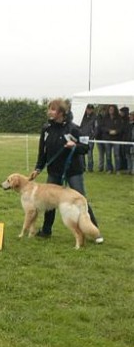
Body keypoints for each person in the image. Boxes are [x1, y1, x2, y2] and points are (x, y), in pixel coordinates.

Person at [29, 98, 102, 242]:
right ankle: (46, 231)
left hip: (73, 171)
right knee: (49, 201)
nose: (49, 111)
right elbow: (42, 151)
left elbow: (86, 148)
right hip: (54, 171)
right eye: (49, 108)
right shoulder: (46, 129)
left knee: (81, 199)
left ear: (61, 112)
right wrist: (38, 168)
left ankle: (95, 232)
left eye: (53, 109)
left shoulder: (74, 128)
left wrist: (74, 146)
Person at [98, 104, 123, 174]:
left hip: (116, 139)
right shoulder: (105, 118)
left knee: (116, 155)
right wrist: (109, 131)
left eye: (112, 109)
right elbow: (102, 127)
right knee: (108, 155)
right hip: (107, 138)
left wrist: (116, 131)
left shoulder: (119, 118)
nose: (111, 110)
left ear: (115, 110)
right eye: (110, 109)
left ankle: (117, 170)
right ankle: (109, 169)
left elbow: (121, 128)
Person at [79, 104, 97, 172]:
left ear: (92, 110)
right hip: (82, 137)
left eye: (90, 109)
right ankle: (83, 167)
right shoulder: (82, 117)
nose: (88, 110)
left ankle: (90, 168)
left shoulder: (95, 117)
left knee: (90, 154)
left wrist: (92, 136)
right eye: (87, 109)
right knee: (82, 154)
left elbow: (96, 128)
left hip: (90, 138)